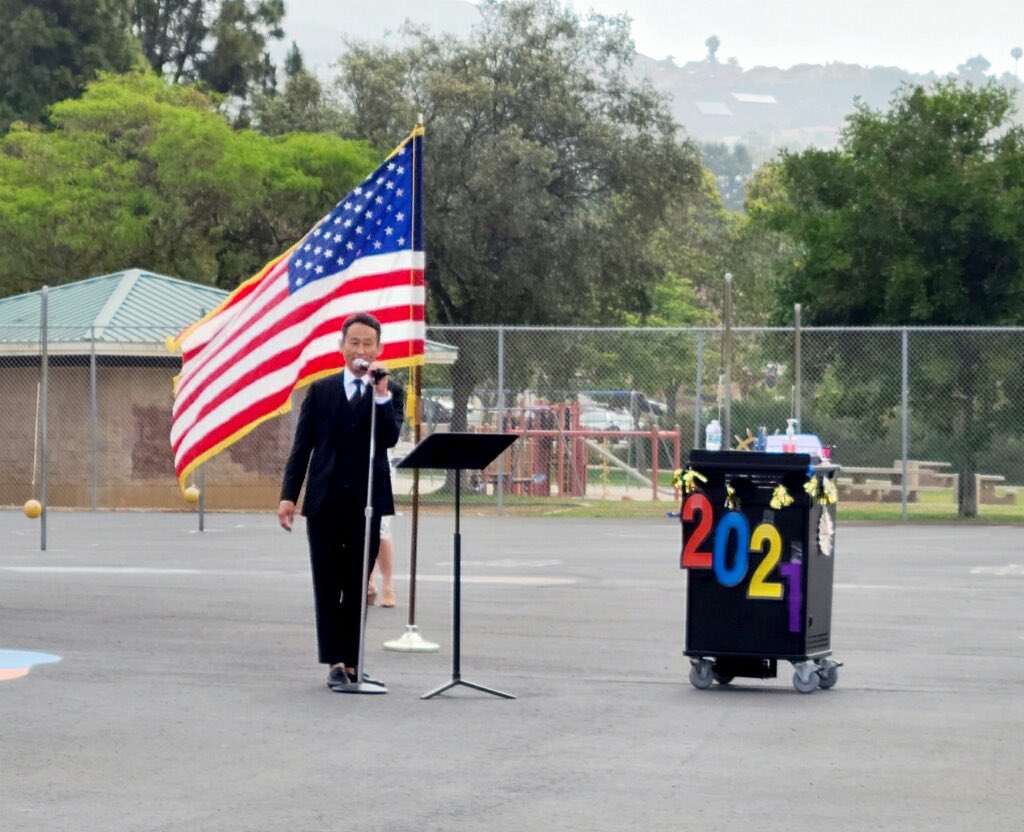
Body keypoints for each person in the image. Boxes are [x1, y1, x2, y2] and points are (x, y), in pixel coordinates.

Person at [278, 312, 404, 690]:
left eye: (368, 344)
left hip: (367, 500)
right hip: (325, 499)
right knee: (328, 581)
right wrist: (289, 496)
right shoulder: (321, 391)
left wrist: (380, 395)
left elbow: (389, 439)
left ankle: (353, 662)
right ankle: (334, 661)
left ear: (379, 349)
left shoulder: (389, 392)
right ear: (341, 346)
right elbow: (302, 448)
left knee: (356, 581)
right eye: (355, 343)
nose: (361, 350)